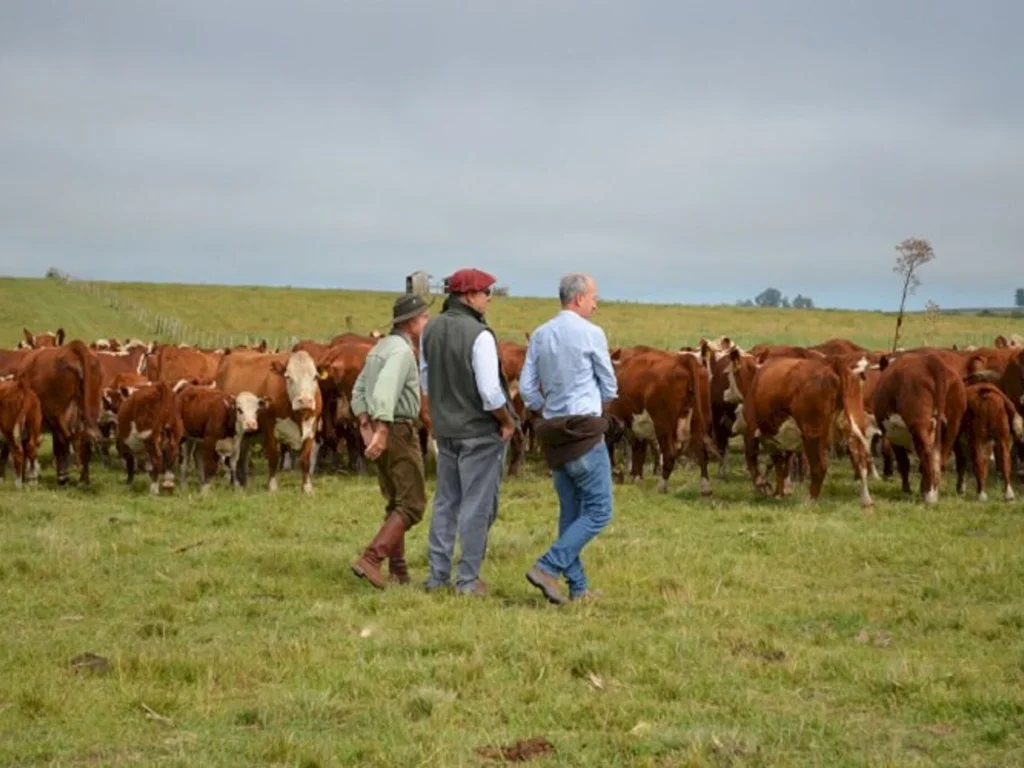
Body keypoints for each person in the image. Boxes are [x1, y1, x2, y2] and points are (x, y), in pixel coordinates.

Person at [520, 273, 618, 604]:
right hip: (585, 432)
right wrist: (599, 412)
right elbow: (609, 382)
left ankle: (578, 588)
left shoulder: (540, 334)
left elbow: (526, 389)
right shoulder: (592, 334)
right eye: (593, 297)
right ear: (578, 299)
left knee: (571, 513)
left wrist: (546, 408)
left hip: (553, 434)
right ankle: (547, 566)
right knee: (600, 510)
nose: (596, 303)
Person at [420, 267, 517, 596]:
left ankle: (436, 577)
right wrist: (506, 421)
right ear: (469, 296)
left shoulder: (430, 328)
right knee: (477, 505)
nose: (489, 297)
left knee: (446, 502)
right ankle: (467, 580)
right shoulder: (480, 335)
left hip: (445, 429)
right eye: (485, 292)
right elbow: (490, 391)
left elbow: (424, 381)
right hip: (477, 430)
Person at [350, 292, 431, 589]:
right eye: (424, 317)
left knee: (395, 500)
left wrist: (365, 424)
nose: (427, 321)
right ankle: (372, 559)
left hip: (381, 427)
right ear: (411, 323)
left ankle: (399, 571)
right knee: (412, 504)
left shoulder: (379, 349)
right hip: (397, 429)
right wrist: (382, 430)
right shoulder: (401, 352)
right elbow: (385, 391)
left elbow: (359, 391)